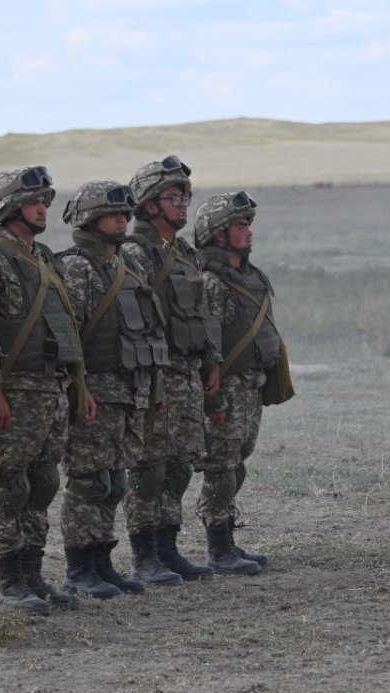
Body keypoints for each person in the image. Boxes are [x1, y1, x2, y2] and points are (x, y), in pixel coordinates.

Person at [0, 166, 96, 614]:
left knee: (42, 485)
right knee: (9, 489)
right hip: (14, 391)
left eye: (45, 200)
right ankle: (11, 585)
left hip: (50, 389)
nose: (42, 208)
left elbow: (66, 329)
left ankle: (33, 577)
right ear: (9, 208)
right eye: (32, 202)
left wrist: (78, 387)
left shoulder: (43, 258)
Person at [57, 180, 169, 597]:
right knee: (89, 482)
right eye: (113, 213)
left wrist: (153, 386)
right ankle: (78, 568)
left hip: (127, 391)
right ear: (90, 218)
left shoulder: (122, 266)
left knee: (113, 482)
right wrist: (78, 388)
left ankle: (101, 562)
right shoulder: (77, 267)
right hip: (95, 393)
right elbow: (69, 338)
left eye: (126, 213)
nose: (123, 219)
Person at [122, 157, 223, 582]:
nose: (183, 204)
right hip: (156, 375)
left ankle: (167, 548)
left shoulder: (183, 253)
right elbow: (135, 320)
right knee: (149, 468)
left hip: (188, 374)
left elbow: (201, 315)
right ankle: (144, 555)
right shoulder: (135, 253)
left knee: (179, 467)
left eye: (186, 196)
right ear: (149, 204)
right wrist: (150, 380)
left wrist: (211, 363)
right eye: (173, 197)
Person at [194, 190, 285, 575]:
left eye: (249, 224)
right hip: (226, 388)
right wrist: (213, 399)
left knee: (237, 463)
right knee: (221, 467)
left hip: (250, 386)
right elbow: (207, 342)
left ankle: (228, 540)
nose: (248, 231)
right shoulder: (212, 282)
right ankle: (218, 550)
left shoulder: (250, 277)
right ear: (218, 234)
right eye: (239, 225)